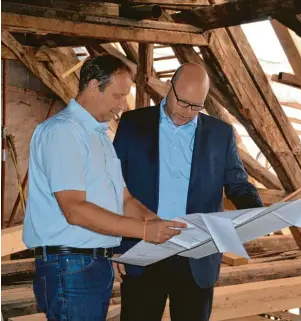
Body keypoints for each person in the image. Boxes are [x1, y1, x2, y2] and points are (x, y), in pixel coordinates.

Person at [23, 54, 186, 321]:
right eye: (117, 96)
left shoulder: (99, 136)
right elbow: (74, 209)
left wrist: (159, 223)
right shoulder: (64, 132)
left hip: (92, 263)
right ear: (93, 85)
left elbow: (125, 200)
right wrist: (144, 231)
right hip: (70, 266)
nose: (122, 105)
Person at [112, 63, 264, 321]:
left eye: (197, 107)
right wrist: (114, 243)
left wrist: (257, 211)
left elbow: (238, 183)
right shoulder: (132, 123)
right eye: (183, 103)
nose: (188, 112)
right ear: (169, 87)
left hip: (197, 256)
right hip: (143, 248)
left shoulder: (221, 134)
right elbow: (113, 185)